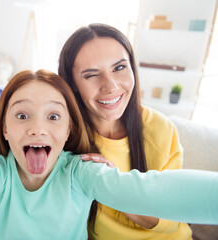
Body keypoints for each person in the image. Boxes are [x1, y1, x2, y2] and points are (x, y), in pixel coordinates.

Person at [0, 69, 218, 239]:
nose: (37, 128)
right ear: (4, 130)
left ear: (67, 132)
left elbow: (149, 191)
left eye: (53, 116)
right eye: (22, 115)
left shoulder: (82, 173)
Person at [58, 23, 193, 239]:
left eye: (119, 67)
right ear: (72, 84)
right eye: (91, 75)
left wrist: (113, 185)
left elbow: (174, 216)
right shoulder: (65, 140)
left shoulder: (160, 128)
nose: (110, 86)